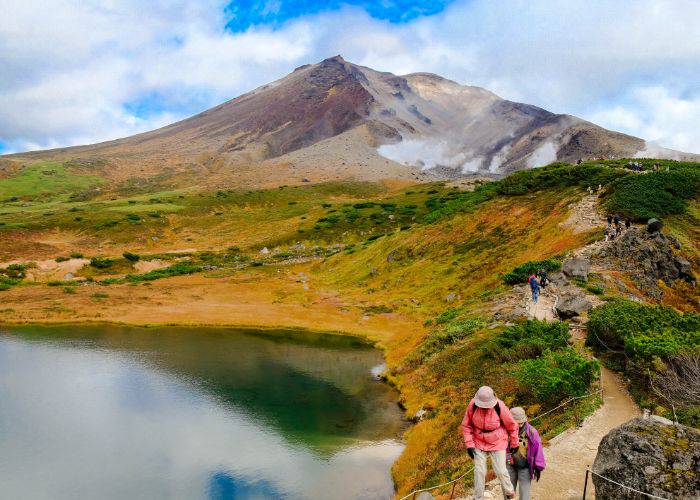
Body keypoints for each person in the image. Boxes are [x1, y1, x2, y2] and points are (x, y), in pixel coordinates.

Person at [460, 386, 519, 500]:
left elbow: (512, 425)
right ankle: (478, 497)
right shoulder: (472, 406)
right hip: (479, 440)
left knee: (500, 470)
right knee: (479, 471)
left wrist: (514, 442)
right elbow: (466, 425)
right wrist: (469, 445)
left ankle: (509, 492)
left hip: (498, 440)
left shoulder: (499, 406)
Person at [505, 407, 546, 500]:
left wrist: (538, 467)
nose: (519, 426)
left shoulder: (532, 432)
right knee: (508, 492)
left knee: (524, 495)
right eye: (516, 423)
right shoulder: (505, 430)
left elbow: (538, 450)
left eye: (521, 423)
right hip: (509, 464)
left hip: (525, 466)